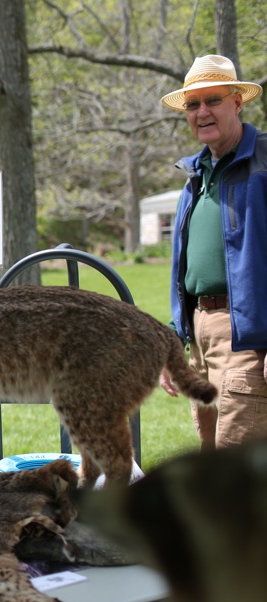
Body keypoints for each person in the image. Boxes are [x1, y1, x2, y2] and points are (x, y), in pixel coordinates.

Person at [159, 54, 267, 450]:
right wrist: (175, 340)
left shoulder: (263, 163)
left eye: (213, 100)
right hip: (199, 336)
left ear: (237, 103)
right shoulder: (195, 174)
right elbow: (184, 268)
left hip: (247, 338)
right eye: (193, 104)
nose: (202, 112)